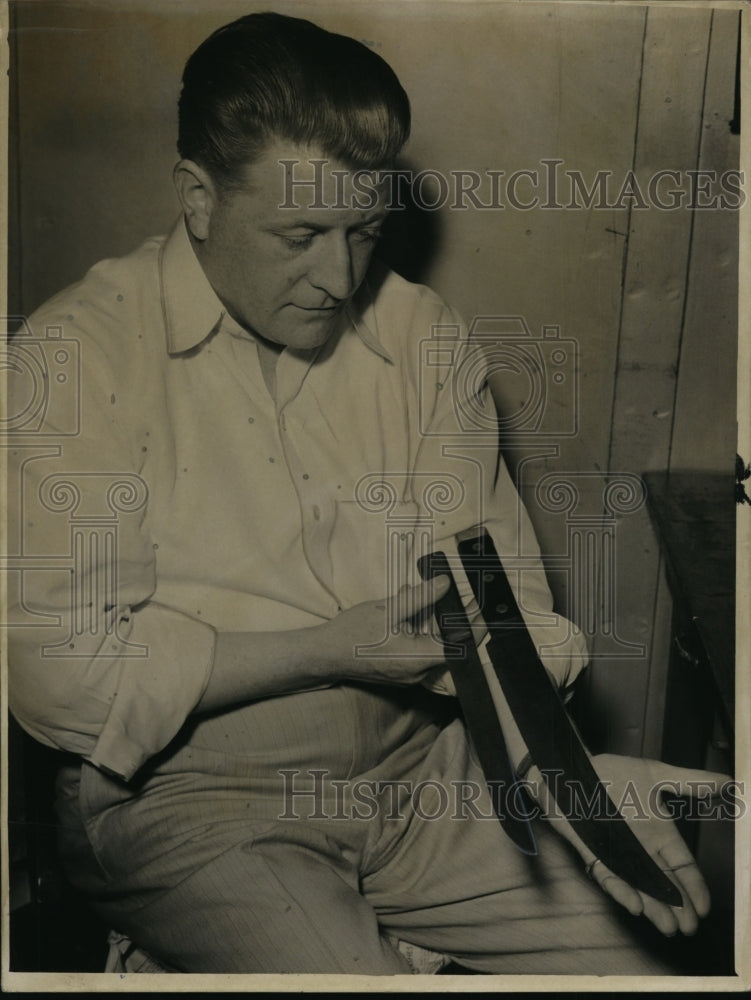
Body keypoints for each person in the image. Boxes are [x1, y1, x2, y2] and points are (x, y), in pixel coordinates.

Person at [7, 11, 730, 976]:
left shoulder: (421, 334)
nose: (339, 277)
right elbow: (60, 680)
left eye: (366, 231)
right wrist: (327, 649)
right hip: (182, 798)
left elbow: (499, 606)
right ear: (197, 198)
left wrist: (554, 773)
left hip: (420, 767)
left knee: (654, 956)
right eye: (300, 234)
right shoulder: (76, 353)